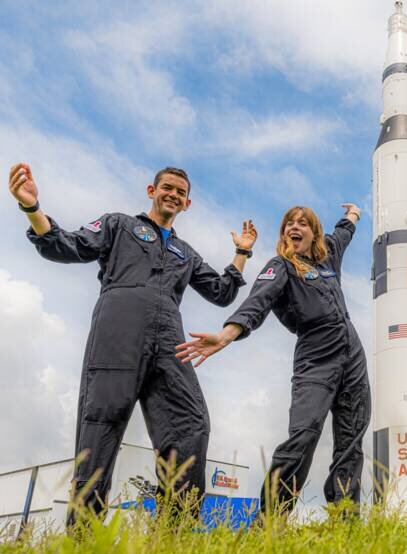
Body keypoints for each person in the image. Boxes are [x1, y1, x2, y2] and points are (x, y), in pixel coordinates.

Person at [7, 163, 255, 523]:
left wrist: (242, 254)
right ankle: (84, 537)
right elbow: (66, 246)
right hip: (118, 331)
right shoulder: (119, 225)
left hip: (169, 339)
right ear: (152, 192)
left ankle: (174, 533)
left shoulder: (186, 252)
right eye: (166, 188)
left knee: (191, 423)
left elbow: (221, 292)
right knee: (101, 423)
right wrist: (32, 207)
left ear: (187, 204)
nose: (173, 194)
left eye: (180, 193)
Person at [175, 203, 369, 515]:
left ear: (313, 232)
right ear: (284, 234)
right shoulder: (281, 267)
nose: (295, 227)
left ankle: (345, 521)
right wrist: (226, 335)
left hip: (353, 355)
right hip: (316, 356)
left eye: (303, 223)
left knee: (351, 442)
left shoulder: (328, 255)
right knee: (304, 435)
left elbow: (342, 233)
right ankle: (270, 521)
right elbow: (258, 302)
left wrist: (353, 215)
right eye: (289, 224)